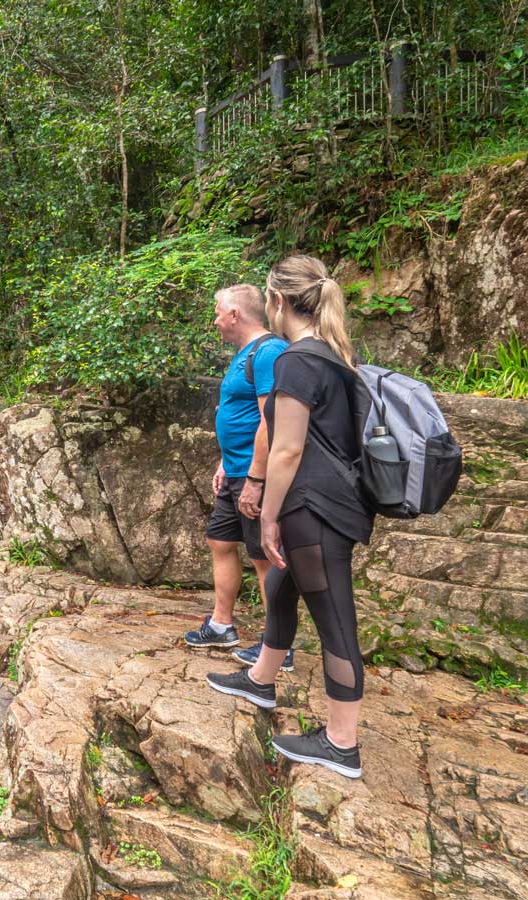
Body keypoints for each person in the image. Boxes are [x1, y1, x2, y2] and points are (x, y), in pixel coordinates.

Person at [205, 255, 375, 780]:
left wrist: (269, 514)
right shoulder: (329, 355)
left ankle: (341, 742)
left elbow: (287, 449)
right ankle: (260, 677)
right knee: (280, 587)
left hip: (313, 508)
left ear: (277, 302)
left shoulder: (297, 361)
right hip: (325, 503)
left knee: (335, 621)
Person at [184, 284, 292, 672]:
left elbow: (271, 419)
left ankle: (278, 644)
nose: (214, 320)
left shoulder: (268, 353)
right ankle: (221, 625)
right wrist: (224, 464)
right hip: (235, 471)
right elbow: (239, 417)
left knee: (264, 557)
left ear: (234, 314)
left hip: (254, 475)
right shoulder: (244, 356)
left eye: (217, 312)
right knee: (220, 541)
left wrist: (255, 478)